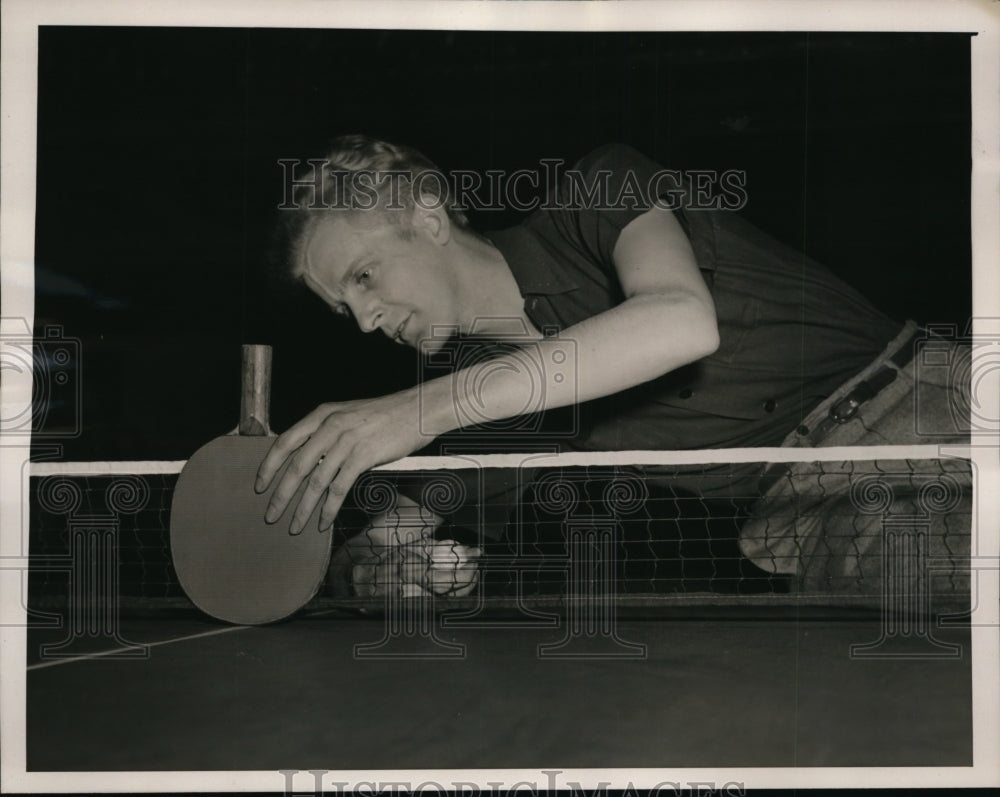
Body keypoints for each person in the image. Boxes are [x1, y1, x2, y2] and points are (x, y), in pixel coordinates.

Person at [257, 135, 970, 604]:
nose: (366, 318)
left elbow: (679, 319)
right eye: (343, 309)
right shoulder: (489, 397)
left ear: (429, 215)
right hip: (811, 514)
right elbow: (377, 544)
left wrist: (413, 412)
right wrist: (380, 572)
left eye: (365, 275)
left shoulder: (596, 192)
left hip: (922, 402)